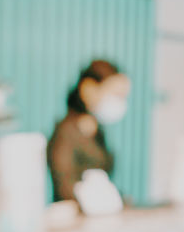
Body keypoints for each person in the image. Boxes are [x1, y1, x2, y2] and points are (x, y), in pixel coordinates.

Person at [47, 59, 130, 204]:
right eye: (115, 94)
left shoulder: (98, 132)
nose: (119, 102)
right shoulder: (65, 132)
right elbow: (65, 187)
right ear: (88, 88)